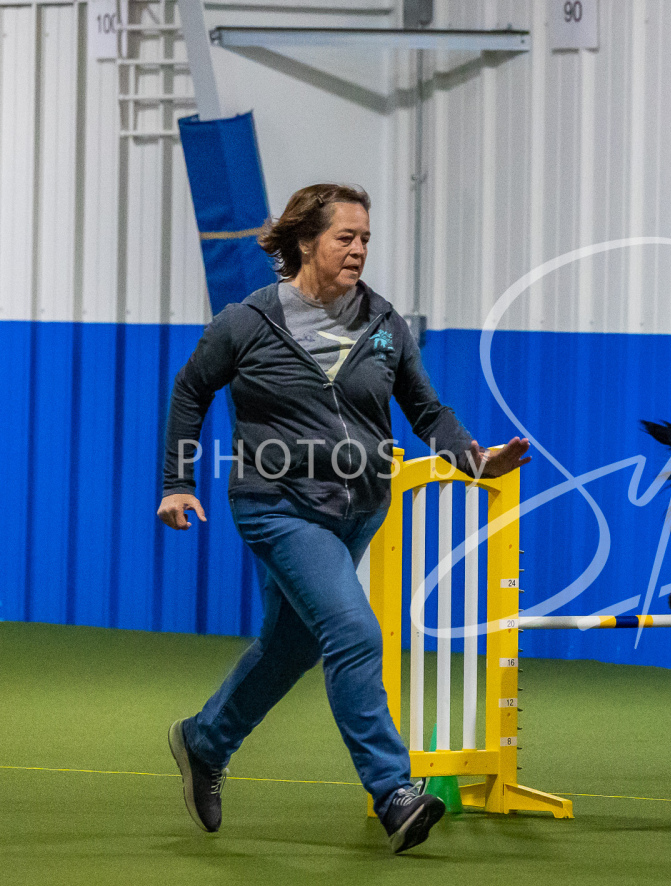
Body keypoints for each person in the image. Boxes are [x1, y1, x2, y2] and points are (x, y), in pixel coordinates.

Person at [157, 183, 529, 854]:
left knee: (291, 648)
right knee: (354, 630)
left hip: (358, 510)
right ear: (306, 242)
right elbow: (191, 390)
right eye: (345, 238)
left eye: (365, 239)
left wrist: (475, 460)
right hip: (275, 504)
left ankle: (205, 741)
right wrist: (177, 483)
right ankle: (394, 792)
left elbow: (427, 412)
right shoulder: (247, 321)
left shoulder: (384, 323)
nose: (358, 250)